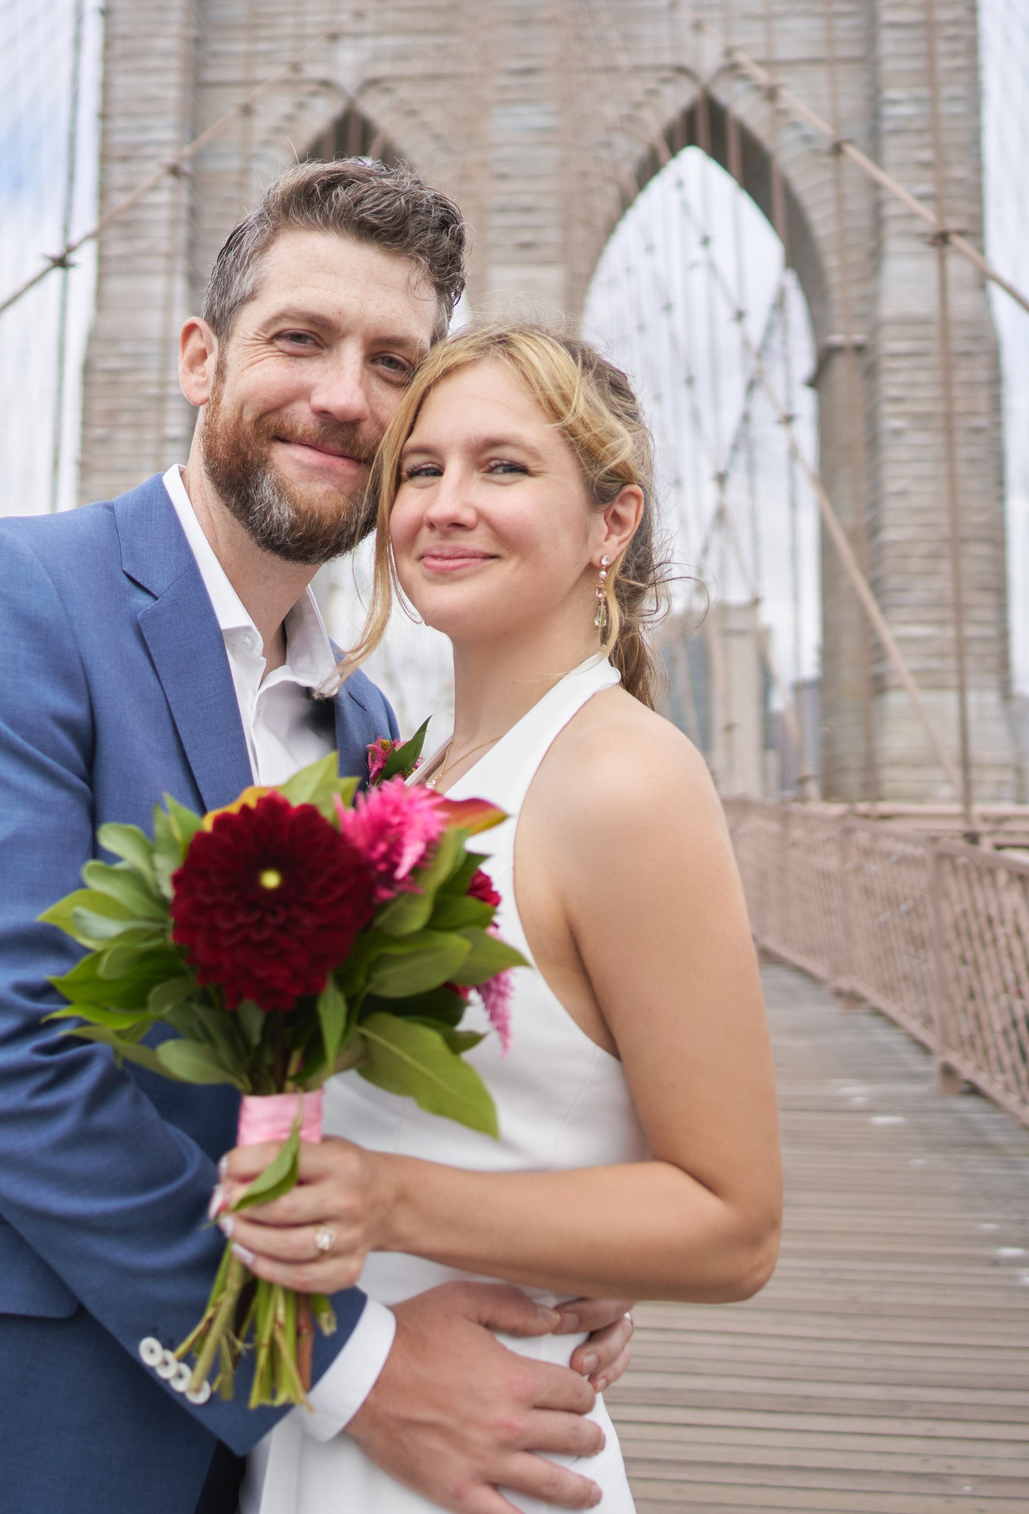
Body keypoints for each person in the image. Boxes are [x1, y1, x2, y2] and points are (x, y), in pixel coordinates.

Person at [0, 162, 636, 1514]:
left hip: (232, 1465)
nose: (344, 396)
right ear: (201, 358)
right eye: (299, 338)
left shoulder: (366, 725)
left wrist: (552, 1241)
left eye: (393, 363)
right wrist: (347, 1363)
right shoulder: (6, 597)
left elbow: (355, 1079)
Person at [216, 325, 785, 1514]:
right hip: (350, 1423)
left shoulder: (624, 781)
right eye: (420, 470)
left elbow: (732, 1227)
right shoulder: (405, 769)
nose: (444, 506)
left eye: (504, 468)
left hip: (487, 1452)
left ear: (611, 524)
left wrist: (388, 1199)